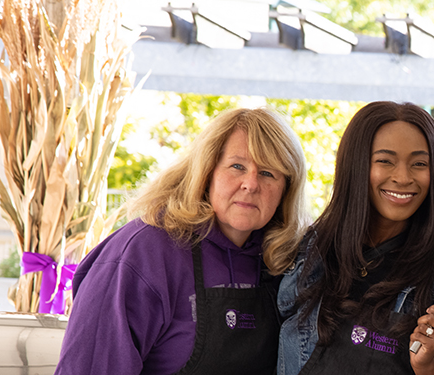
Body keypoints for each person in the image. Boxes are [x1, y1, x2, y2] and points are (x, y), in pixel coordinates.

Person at [57, 108, 309, 374]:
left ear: (286, 190)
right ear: (206, 171)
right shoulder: (141, 255)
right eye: (238, 166)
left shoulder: (285, 265)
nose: (251, 183)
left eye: (268, 173)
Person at [278, 101, 434, 375]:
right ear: (356, 166)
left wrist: (428, 368)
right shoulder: (306, 250)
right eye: (385, 161)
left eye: (419, 163)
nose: (403, 177)